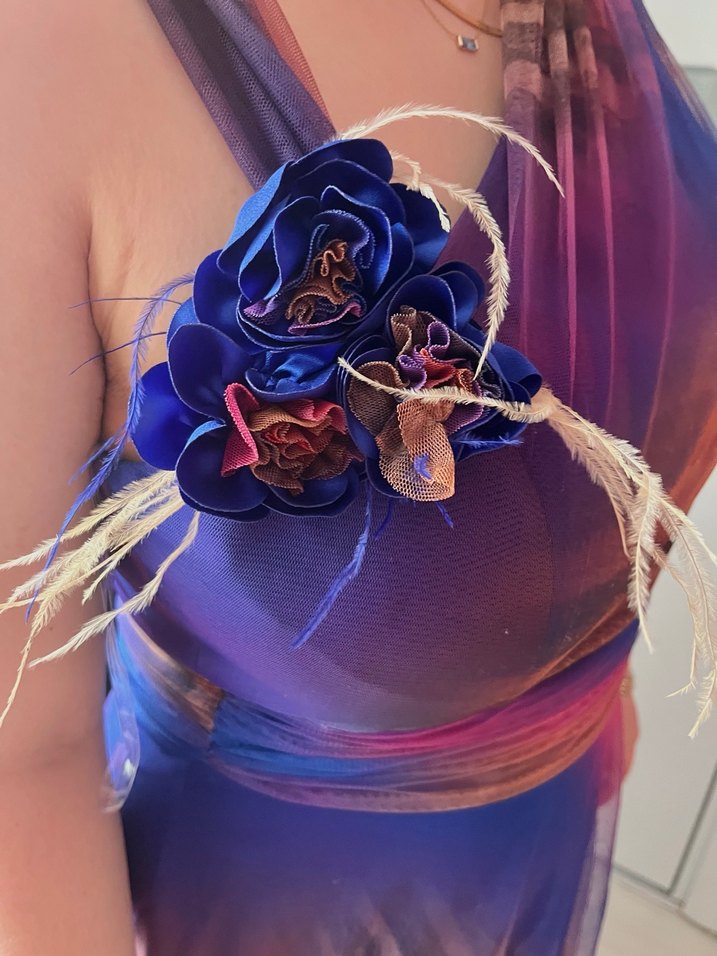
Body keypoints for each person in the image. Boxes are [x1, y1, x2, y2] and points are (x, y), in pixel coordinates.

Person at [1, 0, 715, 953]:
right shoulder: (52, 61)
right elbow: (21, 753)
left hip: (550, 805)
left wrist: (584, 693)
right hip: (282, 898)